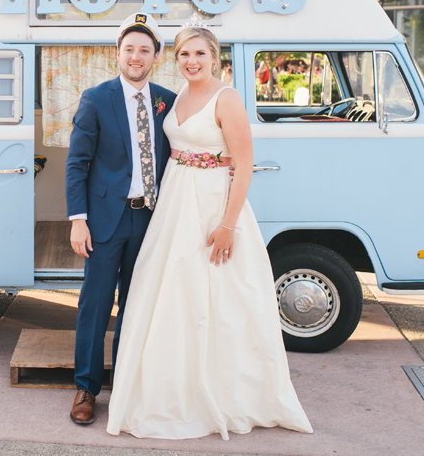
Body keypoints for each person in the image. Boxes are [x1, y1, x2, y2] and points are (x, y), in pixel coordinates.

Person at [106, 25, 313, 440]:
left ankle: (224, 392)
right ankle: (170, 387)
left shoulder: (227, 98)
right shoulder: (177, 96)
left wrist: (227, 225)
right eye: (184, 55)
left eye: (199, 54)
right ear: (176, 58)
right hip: (175, 203)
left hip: (213, 205)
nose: (192, 62)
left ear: (214, 57)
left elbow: (245, 163)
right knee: (168, 294)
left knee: (220, 301)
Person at [65, 13, 177, 425]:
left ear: (156, 57)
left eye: (144, 50)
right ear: (117, 54)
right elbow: (77, 163)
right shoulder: (96, 98)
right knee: (95, 304)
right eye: (129, 49)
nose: (136, 56)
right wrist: (78, 219)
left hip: (150, 219)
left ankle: (128, 384)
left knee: (137, 304)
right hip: (103, 221)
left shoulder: (169, 100)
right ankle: (86, 388)